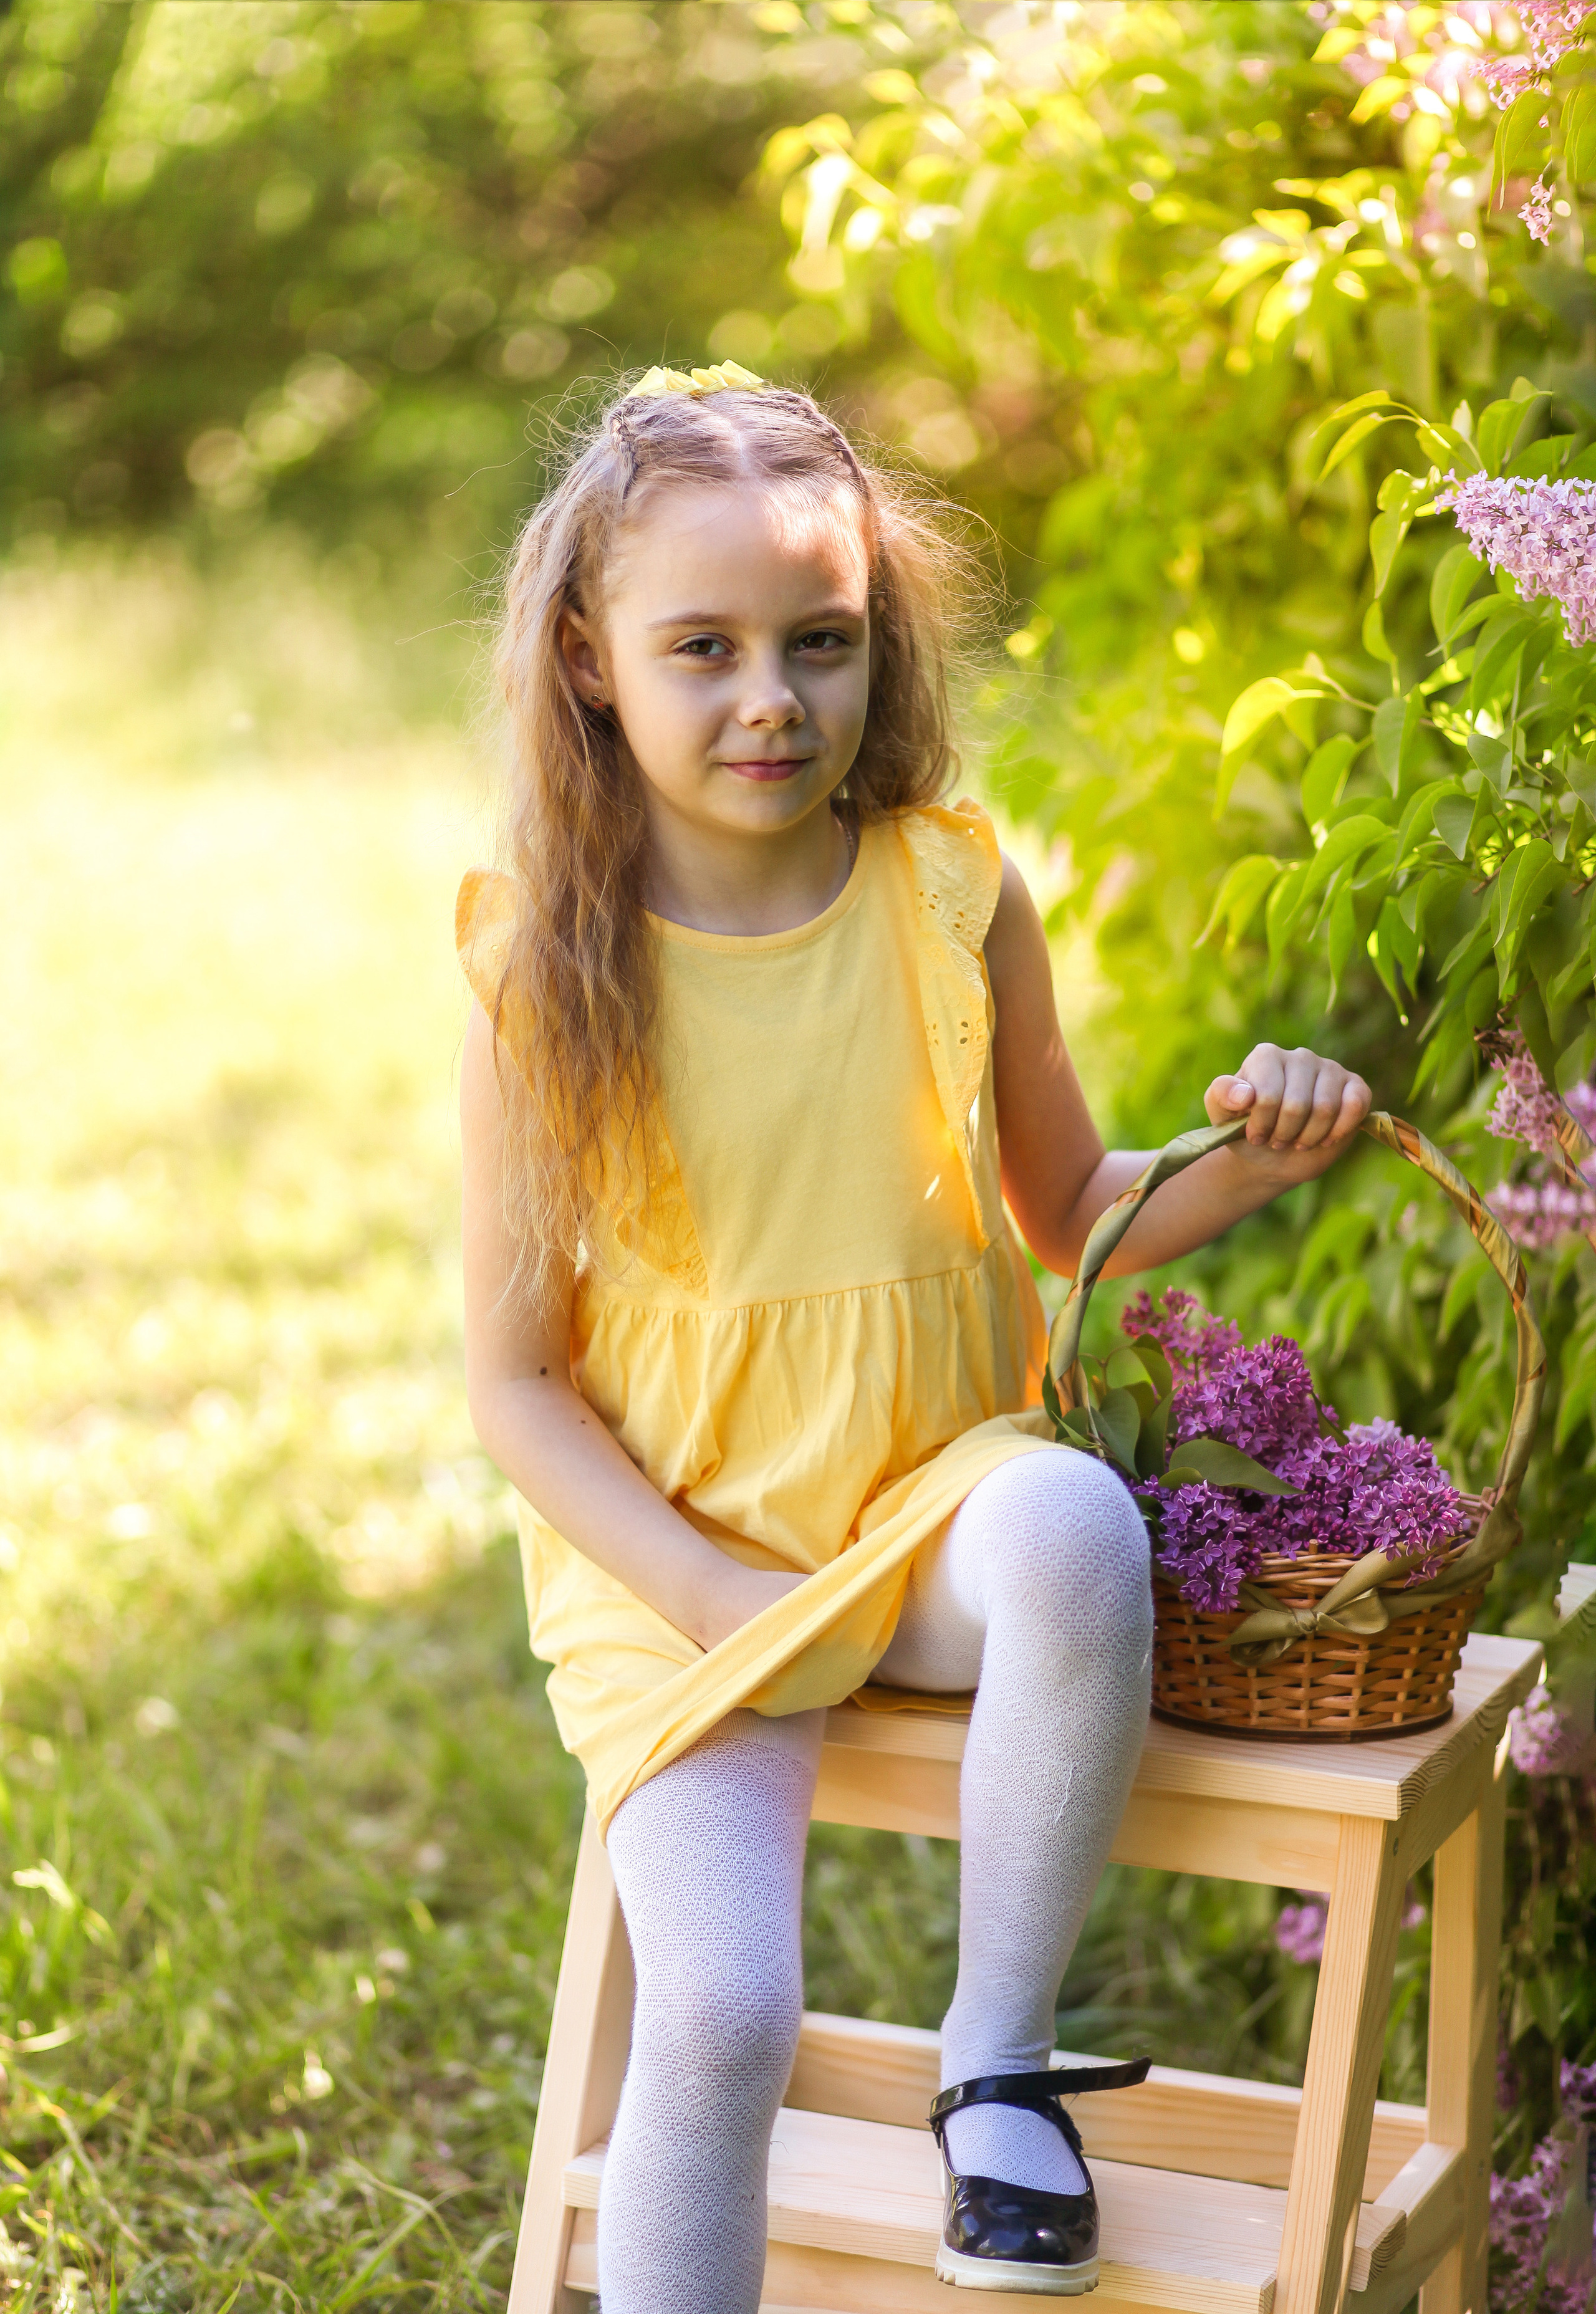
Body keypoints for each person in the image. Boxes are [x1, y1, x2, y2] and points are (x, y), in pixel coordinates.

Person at [457, 362, 1371, 2307]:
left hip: (920, 1501)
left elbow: (1070, 1212)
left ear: (880, 646)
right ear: (592, 658)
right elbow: (517, 1386)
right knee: (718, 2024)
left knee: (1072, 1527)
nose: (771, 697)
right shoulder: (552, 969)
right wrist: (704, 1589)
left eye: (822, 641)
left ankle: (998, 2060)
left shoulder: (950, 894)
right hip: (678, 1567)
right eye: (702, 647)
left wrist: (1253, 1151)